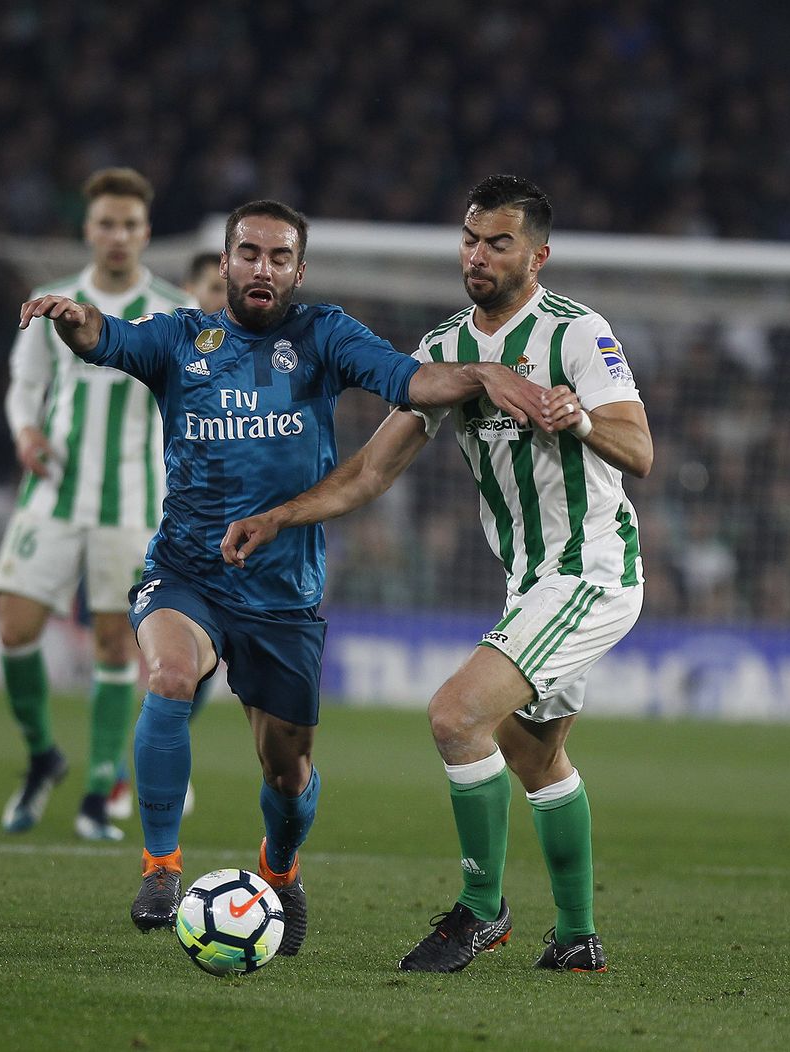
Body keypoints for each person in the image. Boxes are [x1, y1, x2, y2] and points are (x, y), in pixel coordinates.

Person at [18, 198, 551, 953]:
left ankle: (282, 870)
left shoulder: (325, 334)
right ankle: (161, 866)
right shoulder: (179, 339)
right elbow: (104, 340)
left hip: (283, 594)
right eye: (248, 253)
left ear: (298, 270)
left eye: (278, 257)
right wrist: (73, 319)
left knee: (288, 774)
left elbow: (410, 381)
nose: (261, 268)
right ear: (227, 262)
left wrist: (484, 375)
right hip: (188, 570)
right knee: (170, 676)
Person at [220, 175, 653, 973]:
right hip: (531, 583)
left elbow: (640, 451)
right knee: (535, 755)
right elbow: (369, 474)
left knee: (456, 716)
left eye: (499, 242)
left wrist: (580, 417)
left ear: (539, 253)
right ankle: (578, 939)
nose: (478, 255)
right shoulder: (446, 347)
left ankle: (481, 912)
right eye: (470, 239)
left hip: (589, 570)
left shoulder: (578, 334)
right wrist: (279, 515)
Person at [0, 168, 195, 842]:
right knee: (15, 627)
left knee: (115, 641)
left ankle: (98, 785)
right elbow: (26, 383)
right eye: (106, 223)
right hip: (51, 492)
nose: (117, 235)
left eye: (130, 224)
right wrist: (25, 429)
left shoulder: (171, 308)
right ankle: (43, 755)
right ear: (89, 229)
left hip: (133, 502)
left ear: (145, 232)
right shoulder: (54, 302)